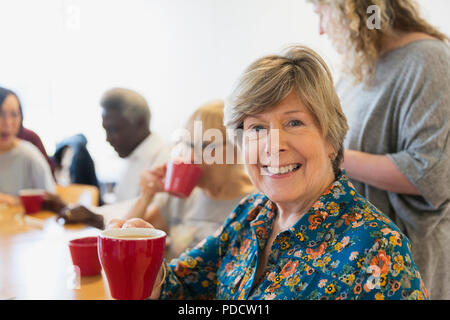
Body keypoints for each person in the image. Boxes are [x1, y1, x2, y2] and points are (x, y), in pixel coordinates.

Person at [107, 46, 427, 300]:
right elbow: (185, 288)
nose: (273, 145)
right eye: (258, 127)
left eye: (294, 122)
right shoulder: (251, 213)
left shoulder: (376, 245)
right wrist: (149, 276)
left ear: (331, 140)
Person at [311, 0, 450, 299]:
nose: (320, 29)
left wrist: (327, 154)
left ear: (353, 9)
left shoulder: (429, 59)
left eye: (321, 13)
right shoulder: (357, 68)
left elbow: (429, 174)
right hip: (354, 253)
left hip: (405, 261)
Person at [124, 100, 255, 259]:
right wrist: (146, 196)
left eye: (206, 146)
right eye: (189, 145)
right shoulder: (180, 195)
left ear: (235, 148)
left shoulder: (257, 202)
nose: (191, 156)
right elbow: (124, 242)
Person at [100, 87, 170, 202]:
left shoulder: (164, 161)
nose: (108, 139)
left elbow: (148, 217)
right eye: (106, 130)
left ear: (140, 123)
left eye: (114, 130)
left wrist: (97, 217)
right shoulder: (131, 157)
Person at [0, 87, 55, 205]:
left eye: (14, 115)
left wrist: (12, 202)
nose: (8, 123)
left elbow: (51, 201)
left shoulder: (29, 154)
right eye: (0, 114)